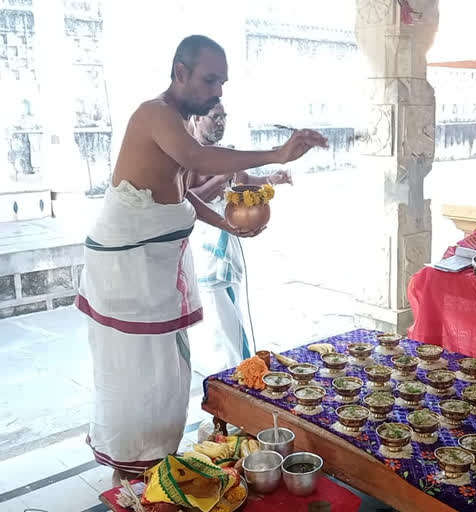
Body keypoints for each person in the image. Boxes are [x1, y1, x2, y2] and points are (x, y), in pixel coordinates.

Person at [75, 34, 327, 485]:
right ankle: (130, 481)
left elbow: (182, 189)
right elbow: (196, 158)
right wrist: (277, 152)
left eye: (222, 82)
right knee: (136, 385)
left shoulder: (177, 123)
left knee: (168, 378)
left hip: (155, 271)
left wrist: (228, 225)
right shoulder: (154, 114)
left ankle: (154, 472)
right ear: (180, 72)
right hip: (126, 274)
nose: (218, 92)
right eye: (211, 80)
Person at [186, 102, 290, 375]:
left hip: (225, 244)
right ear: (196, 118)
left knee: (229, 315)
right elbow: (190, 199)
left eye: (223, 117)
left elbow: (243, 179)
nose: (220, 122)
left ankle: (236, 375)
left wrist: (271, 178)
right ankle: (240, 374)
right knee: (222, 325)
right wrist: (221, 179)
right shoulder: (188, 156)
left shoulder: (224, 153)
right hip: (204, 247)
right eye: (214, 117)